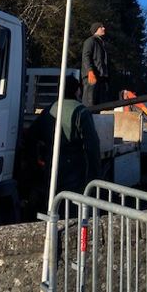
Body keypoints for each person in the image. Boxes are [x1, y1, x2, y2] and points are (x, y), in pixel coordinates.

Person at [23, 74, 102, 216]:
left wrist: (35, 163)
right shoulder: (81, 111)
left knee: (52, 208)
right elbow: (92, 147)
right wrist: (95, 178)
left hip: (51, 169)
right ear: (77, 91)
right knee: (71, 211)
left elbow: (31, 136)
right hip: (74, 171)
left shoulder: (49, 110)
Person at [81, 21, 109, 107]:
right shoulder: (90, 41)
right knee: (89, 102)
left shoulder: (101, 43)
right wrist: (90, 71)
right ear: (96, 29)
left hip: (100, 77)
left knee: (99, 104)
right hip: (92, 77)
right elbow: (86, 56)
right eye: (101, 27)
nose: (104, 28)